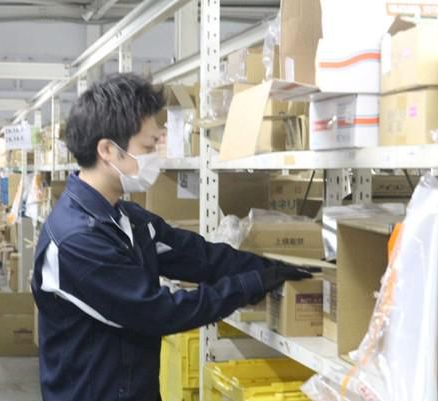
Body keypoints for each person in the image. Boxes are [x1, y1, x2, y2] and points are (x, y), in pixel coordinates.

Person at [31, 73, 313, 401]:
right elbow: (157, 311)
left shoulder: (128, 219)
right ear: (107, 150)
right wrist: (246, 286)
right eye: (148, 147)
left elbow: (198, 256)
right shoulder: (75, 240)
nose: (156, 156)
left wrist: (270, 268)